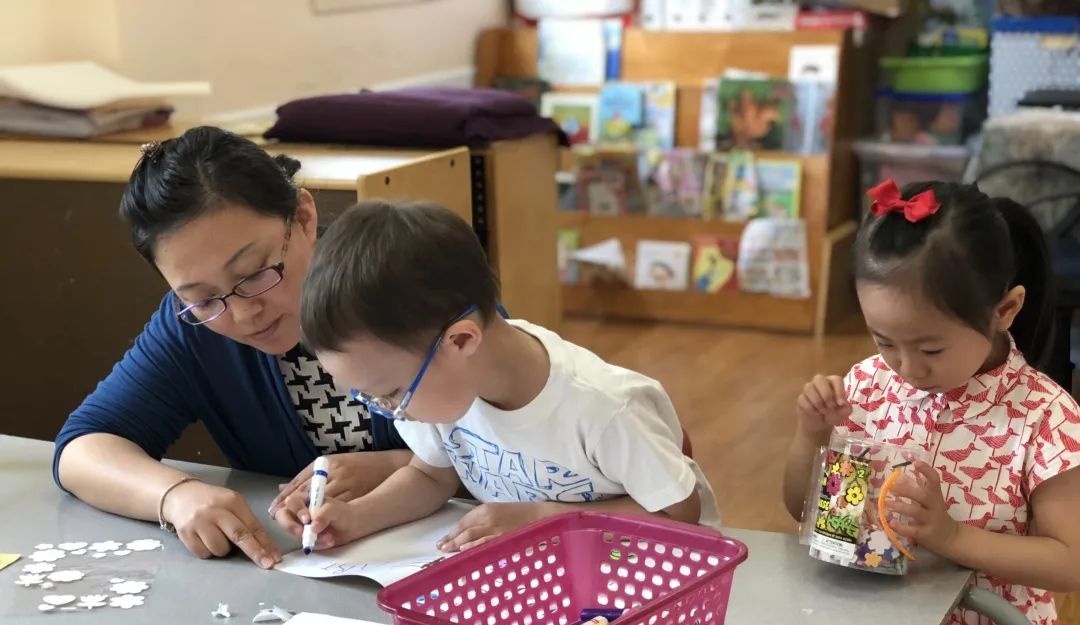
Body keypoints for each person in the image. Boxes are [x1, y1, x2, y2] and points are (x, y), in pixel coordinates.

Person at [783, 179, 1080, 625]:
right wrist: (812, 436)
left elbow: (1070, 559)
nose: (905, 368)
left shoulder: (1043, 416)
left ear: (1005, 310)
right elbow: (812, 514)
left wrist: (950, 537)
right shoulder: (868, 386)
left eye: (930, 347)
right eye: (883, 340)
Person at [55, 126, 410, 570]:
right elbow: (83, 449)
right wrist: (174, 496)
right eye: (202, 298)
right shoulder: (193, 328)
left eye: (254, 272)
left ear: (302, 218)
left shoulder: (411, 277)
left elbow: (518, 436)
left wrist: (401, 465)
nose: (242, 314)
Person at [290, 199, 720, 551]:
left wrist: (544, 520)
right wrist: (355, 518)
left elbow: (680, 515)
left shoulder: (603, 408)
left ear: (460, 341)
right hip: (547, 578)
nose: (391, 412)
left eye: (392, 393)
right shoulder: (447, 391)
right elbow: (430, 475)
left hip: (650, 576)